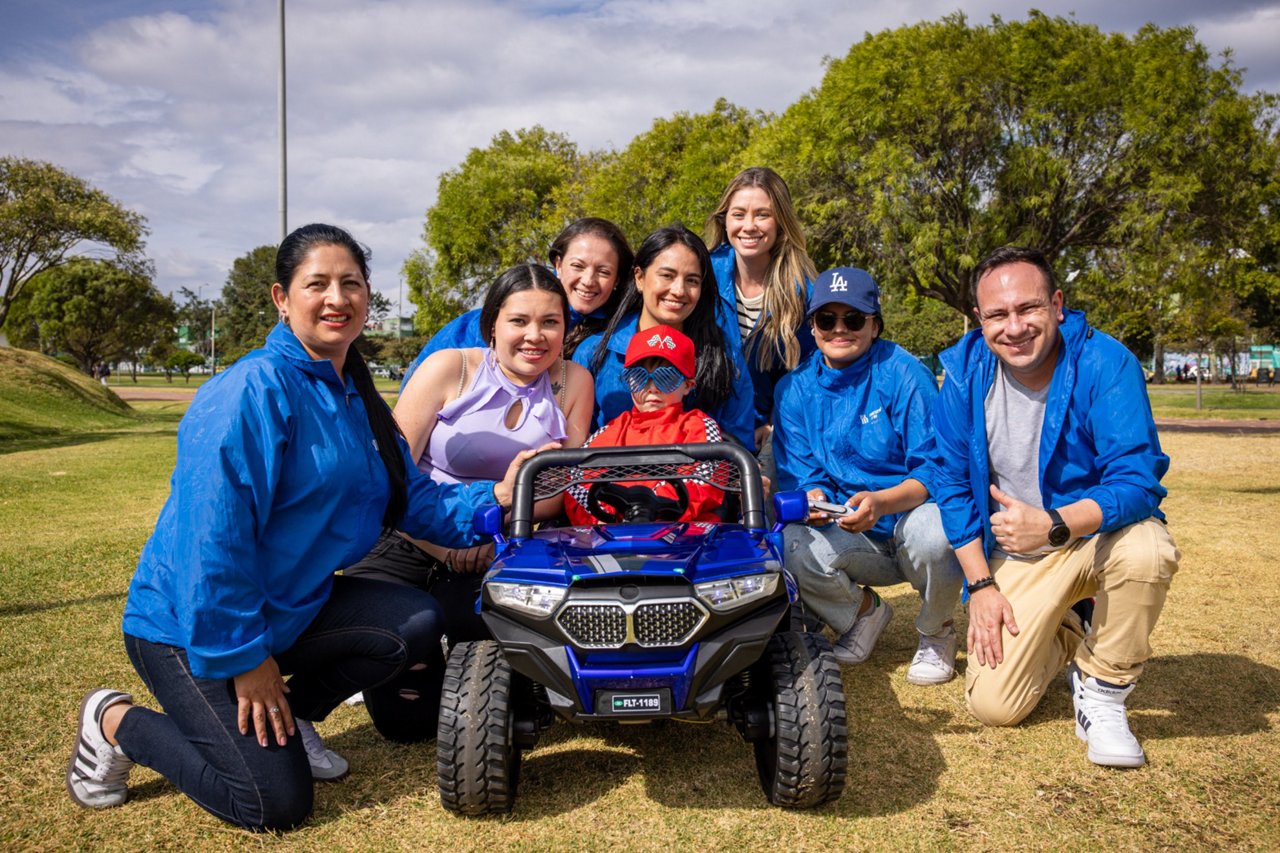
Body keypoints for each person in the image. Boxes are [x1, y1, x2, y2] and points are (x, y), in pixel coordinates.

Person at [65, 224, 537, 831]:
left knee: (414, 622)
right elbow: (213, 541)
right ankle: (114, 722)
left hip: (289, 608)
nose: (336, 298)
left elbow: (413, 501)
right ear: (282, 299)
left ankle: (291, 717)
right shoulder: (249, 391)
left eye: (351, 284)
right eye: (317, 284)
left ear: (368, 297)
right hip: (188, 627)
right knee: (272, 802)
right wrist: (244, 659)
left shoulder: (358, 396)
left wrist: (499, 498)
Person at [931, 245, 1179, 768]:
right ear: (980, 319)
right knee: (993, 705)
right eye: (997, 314)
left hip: (1095, 536)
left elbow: (1138, 482)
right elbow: (950, 484)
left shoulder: (1106, 362)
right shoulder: (961, 373)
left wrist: (1054, 524)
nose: (1014, 327)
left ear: (1058, 304)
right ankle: (1069, 629)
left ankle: (1103, 691)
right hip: (1018, 553)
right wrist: (979, 585)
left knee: (1149, 550)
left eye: (1029, 308)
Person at [343, 264, 593, 741]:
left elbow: (561, 492)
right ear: (492, 323)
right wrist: (446, 545)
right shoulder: (449, 368)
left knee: (497, 701)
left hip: (499, 547)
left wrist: (492, 532)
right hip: (411, 536)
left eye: (550, 322)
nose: (534, 336)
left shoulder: (574, 382)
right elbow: (390, 476)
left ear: (566, 327)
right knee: (407, 726)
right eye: (519, 321)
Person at [775, 267, 963, 684]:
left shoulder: (904, 373)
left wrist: (882, 502)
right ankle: (863, 614)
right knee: (787, 541)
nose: (840, 329)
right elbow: (801, 473)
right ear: (812, 326)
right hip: (850, 525)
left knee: (940, 533)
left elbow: (938, 467)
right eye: (827, 320)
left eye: (854, 319)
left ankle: (936, 632)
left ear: (875, 324)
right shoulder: (794, 389)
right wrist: (815, 499)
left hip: (910, 515)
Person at [574, 225, 756, 450]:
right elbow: (576, 446)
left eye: (692, 280)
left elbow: (739, 446)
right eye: (667, 276)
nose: (679, 290)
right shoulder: (593, 353)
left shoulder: (724, 357)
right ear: (639, 277)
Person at [398, 217, 633, 388]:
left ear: (617, 279)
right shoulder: (477, 326)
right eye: (578, 266)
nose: (588, 281)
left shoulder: (620, 333)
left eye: (603, 271)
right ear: (558, 264)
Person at [564, 325, 725, 525]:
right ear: (628, 381)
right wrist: (610, 516)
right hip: (614, 538)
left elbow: (705, 482)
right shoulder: (610, 431)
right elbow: (577, 483)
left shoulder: (700, 426)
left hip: (684, 538)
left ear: (688, 385)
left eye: (666, 377)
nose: (652, 388)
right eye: (639, 377)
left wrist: (650, 510)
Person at [705, 167, 818, 451]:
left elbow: (806, 374)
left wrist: (773, 424)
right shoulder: (701, 274)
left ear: (781, 221)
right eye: (739, 214)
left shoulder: (803, 291)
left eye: (762, 214)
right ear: (725, 219)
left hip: (767, 438)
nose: (749, 225)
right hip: (702, 432)